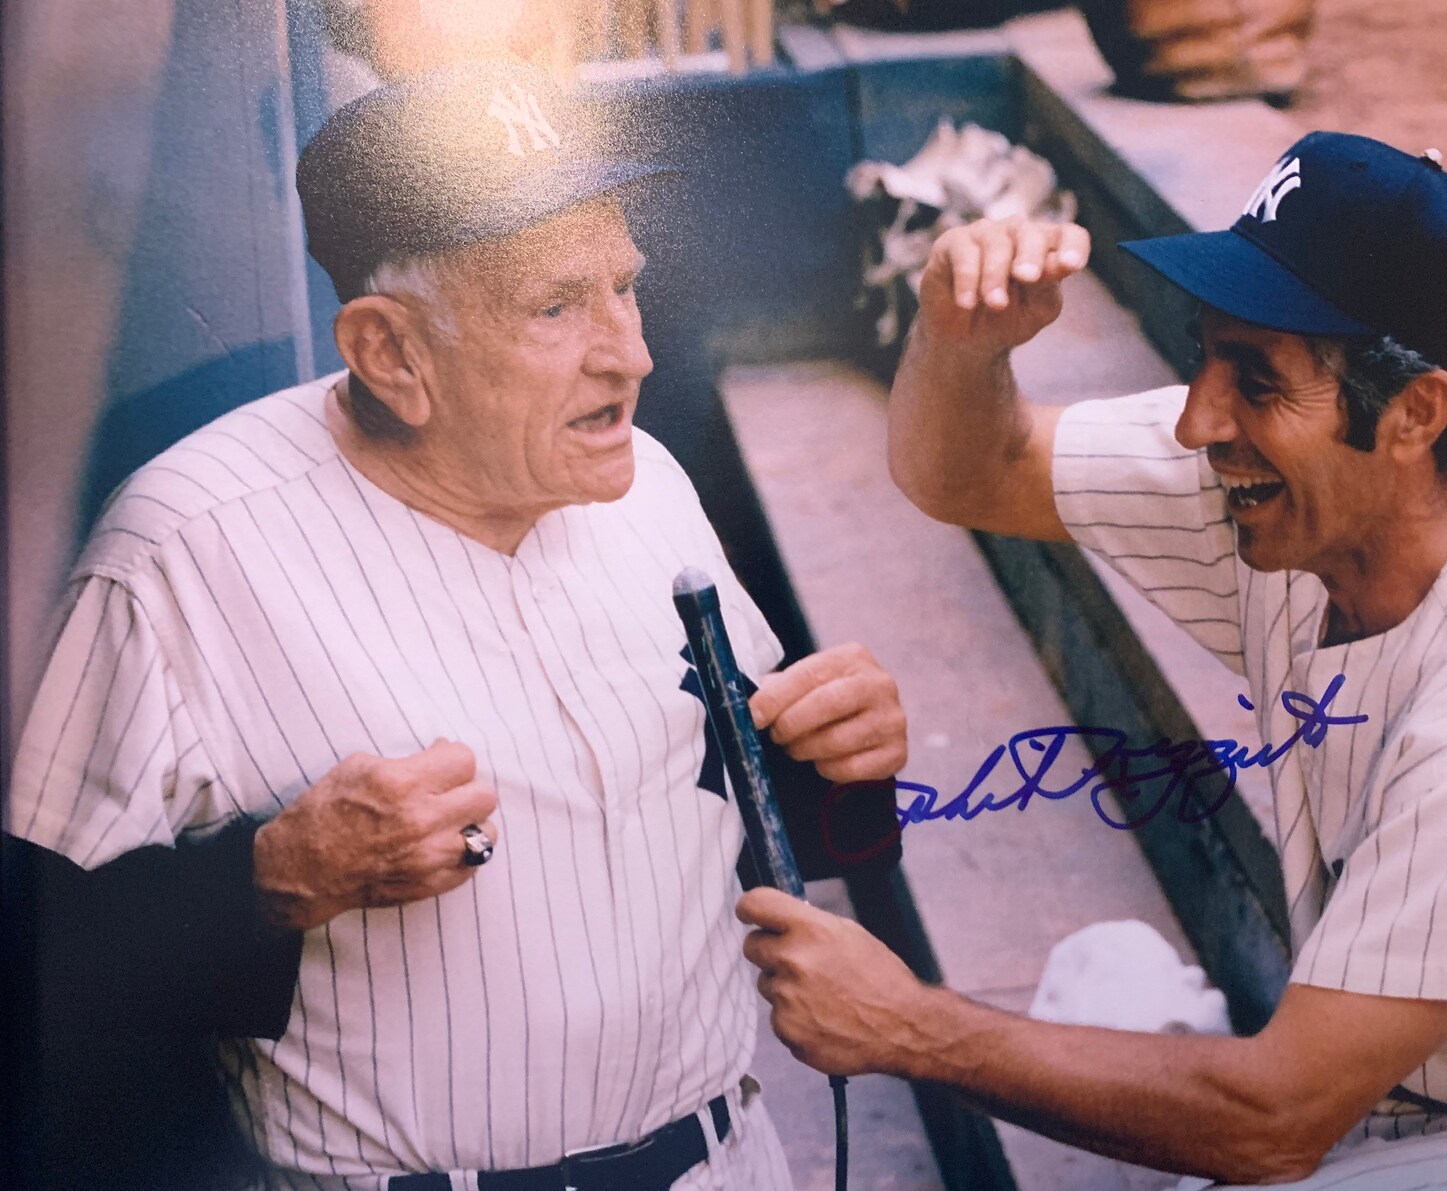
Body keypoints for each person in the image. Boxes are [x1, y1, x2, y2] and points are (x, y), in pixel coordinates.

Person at [5, 63, 909, 1190]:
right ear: (391, 352)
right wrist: (273, 876)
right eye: (555, 306)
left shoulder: (645, 482)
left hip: (725, 1159)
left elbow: (768, 828)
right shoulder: (179, 555)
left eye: (624, 287)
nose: (630, 351)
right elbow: (41, 964)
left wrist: (850, 767)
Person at [740, 131, 1447, 1188]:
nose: (1198, 419)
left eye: (1257, 380)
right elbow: (971, 471)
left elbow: (1272, 1120)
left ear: (1414, 411)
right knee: (1114, 993)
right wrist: (961, 342)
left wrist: (910, 1027)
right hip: (1380, 1089)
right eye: (1204, 351)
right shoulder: (1304, 491)